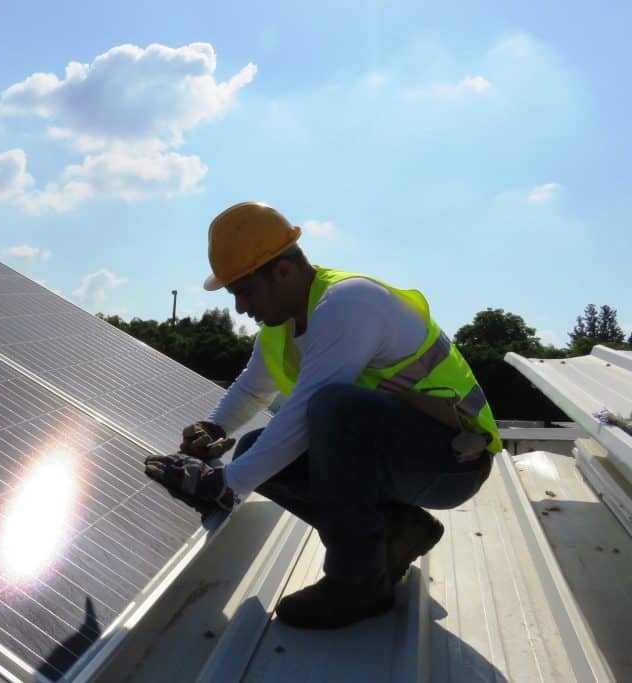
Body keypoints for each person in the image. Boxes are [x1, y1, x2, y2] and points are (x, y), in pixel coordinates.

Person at [145, 202, 501, 629]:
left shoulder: (350, 303)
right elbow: (254, 388)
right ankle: (396, 530)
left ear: (283, 272)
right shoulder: (283, 324)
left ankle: (357, 583)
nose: (239, 308)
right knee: (257, 447)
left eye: (244, 291)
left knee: (333, 408)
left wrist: (227, 484)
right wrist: (215, 427)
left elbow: (305, 412)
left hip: (452, 463)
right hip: (403, 457)